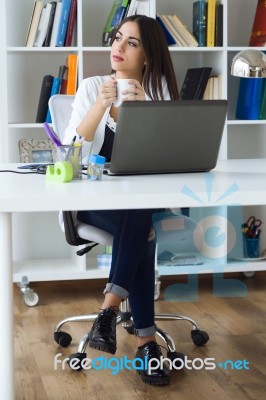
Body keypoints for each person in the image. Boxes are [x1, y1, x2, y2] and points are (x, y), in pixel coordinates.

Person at [64, 15, 179, 386]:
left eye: (131, 43)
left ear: (148, 55)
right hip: (92, 202)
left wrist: (146, 112)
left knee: (141, 209)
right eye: (118, 38)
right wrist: (99, 106)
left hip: (143, 203)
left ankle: (108, 313)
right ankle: (146, 342)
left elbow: (171, 163)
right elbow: (69, 157)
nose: (118, 47)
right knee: (143, 229)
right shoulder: (92, 86)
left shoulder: (159, 93)